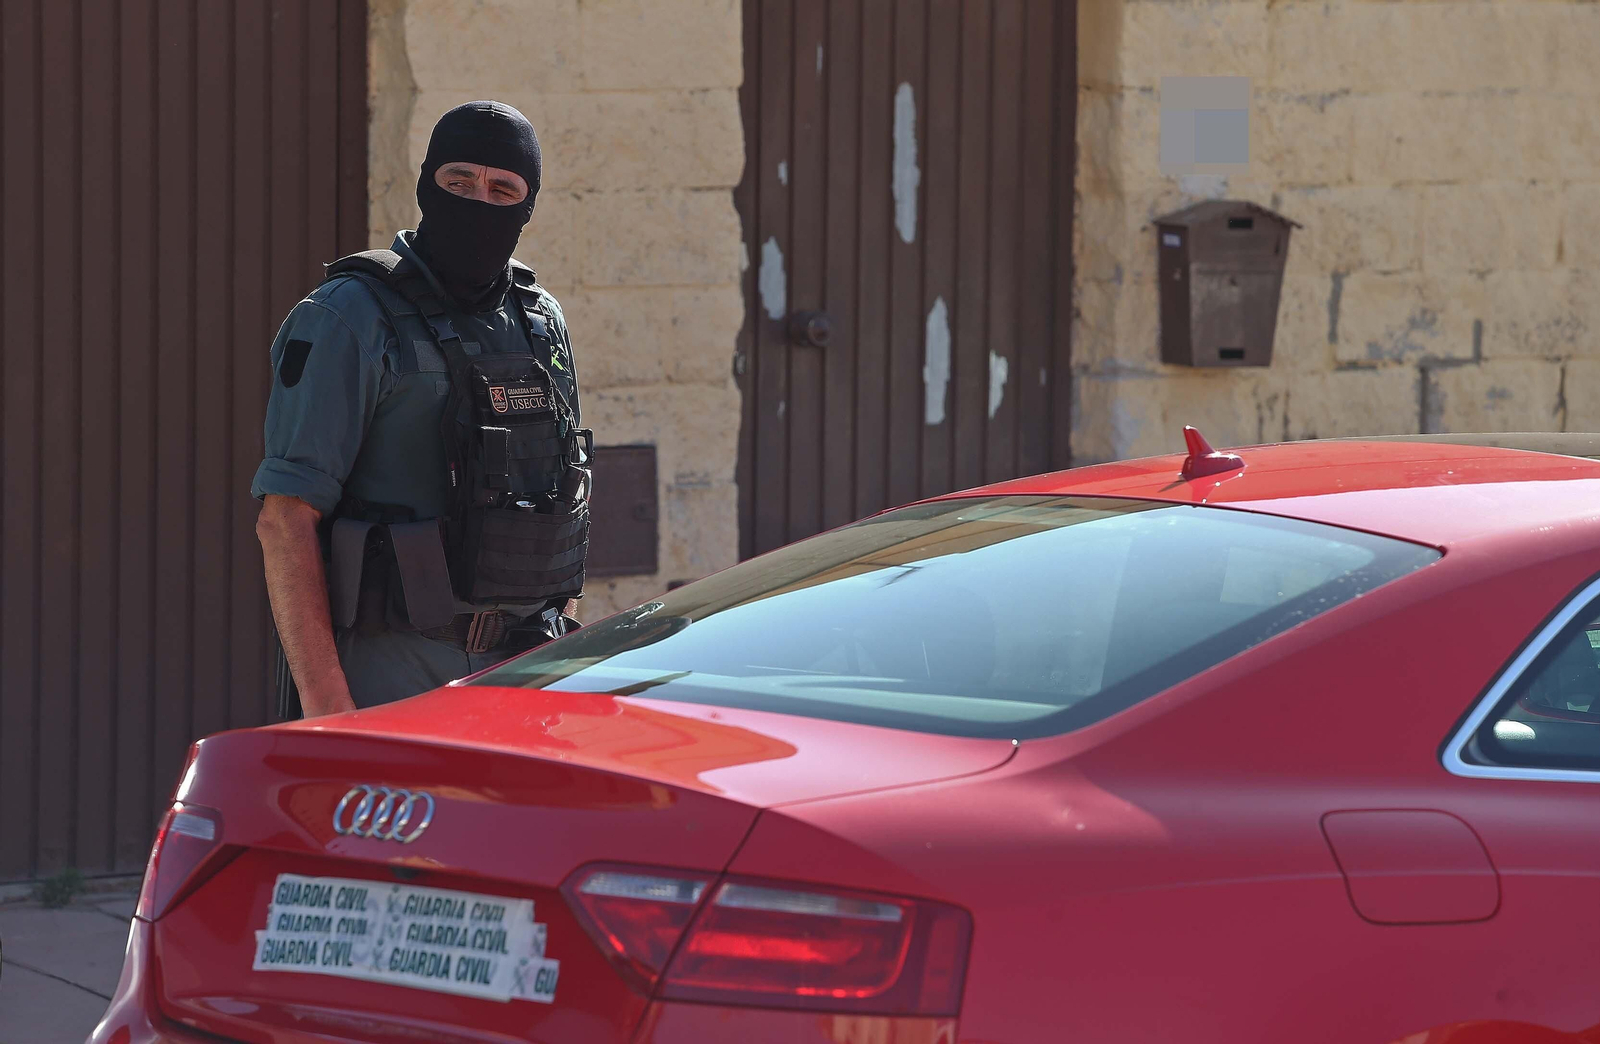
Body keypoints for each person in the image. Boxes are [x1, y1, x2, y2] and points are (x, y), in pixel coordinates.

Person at [252, 101, 590, 718]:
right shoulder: (347, 317)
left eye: (502, 189)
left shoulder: (539, 321)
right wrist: (329, 706)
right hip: (390, 675)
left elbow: (561, 498)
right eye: (457, 181)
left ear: (528, 205)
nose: (478, 200)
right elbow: (284, 522)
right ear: (425, 182)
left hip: (524, 675)